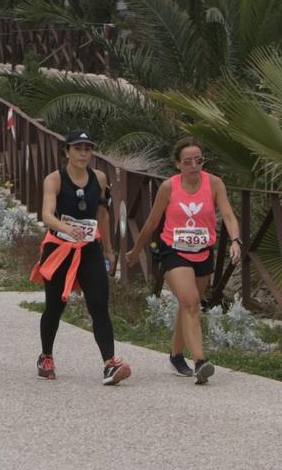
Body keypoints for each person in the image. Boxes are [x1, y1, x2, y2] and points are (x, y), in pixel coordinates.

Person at [128, 135, 241, 384]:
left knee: (188, 305)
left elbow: (229, 216)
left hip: (203, 252)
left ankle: (176, 355)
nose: (193, 167)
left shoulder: (214, 184)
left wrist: (235, 240)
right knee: (190, 303)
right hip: (173, 251)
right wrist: (136, 249)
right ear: (177, 164)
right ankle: (200, 362)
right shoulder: (169, 187)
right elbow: (152, 222)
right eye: (187, 162)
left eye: (198, 161)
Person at [32, 130, 130, 386]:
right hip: (59, 249)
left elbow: (103, 214)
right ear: (67, 152)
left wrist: (108, 249)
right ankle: (46, 356)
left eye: (87, 149)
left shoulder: (99, 177)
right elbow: (46, 214)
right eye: (78, 149)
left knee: (99, 305)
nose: (83, 154)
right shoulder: (54, 180)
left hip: (89, 249)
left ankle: (110, 363)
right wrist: (66, 228)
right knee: (54, 307)